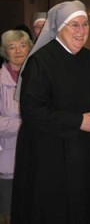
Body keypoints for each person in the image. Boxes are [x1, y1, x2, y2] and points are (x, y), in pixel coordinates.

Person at [11, 0, 90, 224]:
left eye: (85, 24)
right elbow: (32, 112)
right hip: (51, 156)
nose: (81, 31)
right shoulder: (40, 62)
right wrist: (78, 121)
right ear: (59, 28)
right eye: (74, 25)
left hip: (86, 153)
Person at [0, 30, 33, 224]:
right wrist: (27, 124)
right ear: (5, 51)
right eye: (12, 47)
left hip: (37, 158)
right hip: (7, 160)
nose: (18, 50)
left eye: (22, 45)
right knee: (10, 214)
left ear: (30, 48)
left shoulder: (38, 75)